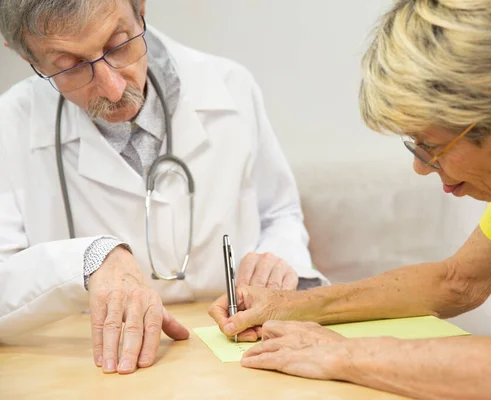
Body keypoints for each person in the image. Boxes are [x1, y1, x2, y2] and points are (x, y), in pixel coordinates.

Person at [209, 0, 491, 398]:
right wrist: (292, 304)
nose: (422, 167)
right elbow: (458, 281)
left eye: (432, 146)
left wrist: (345, 356)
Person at [0, 0, 327, 375]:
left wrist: (279, 261)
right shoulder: (10, 123)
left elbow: (279, 214)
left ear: (139, 8)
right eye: (70, 67)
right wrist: (88, 261)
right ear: (30, 59)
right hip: (100, 367)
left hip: (237, 354)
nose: (112, 87)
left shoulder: (229, 86)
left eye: (119, 44)